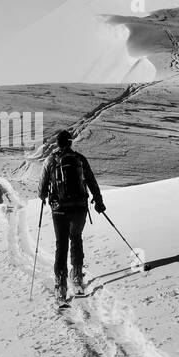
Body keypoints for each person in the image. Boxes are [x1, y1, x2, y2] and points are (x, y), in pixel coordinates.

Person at [39, 129, 104, 301]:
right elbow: (91, 181)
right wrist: (98, 201)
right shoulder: (79, 159)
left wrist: (44, 196)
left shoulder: (50, 160)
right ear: (70, 142)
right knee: (76, 238)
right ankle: (77, 277)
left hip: (59, 209)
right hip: (80, 207)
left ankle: (60, 284)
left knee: (61, 243)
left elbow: (41, 189)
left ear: (57, 143)